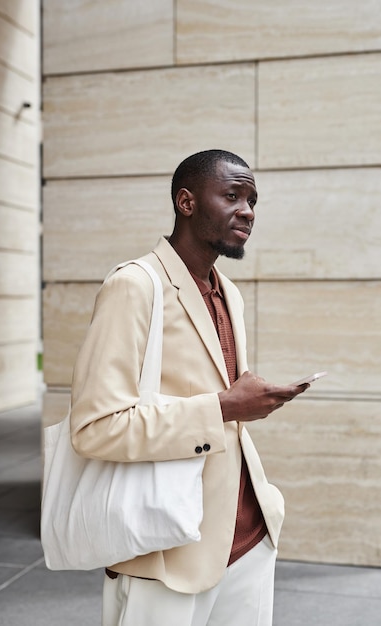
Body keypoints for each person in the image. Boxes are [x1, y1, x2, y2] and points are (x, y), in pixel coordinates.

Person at [69, 149, 309, 626]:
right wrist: (223, 406)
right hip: (168, 552)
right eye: (233, 195)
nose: (248, 211)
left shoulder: (229, 291)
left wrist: (248, 402)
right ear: (186, 201)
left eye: (253, 200)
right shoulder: (135, 286)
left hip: (249, 541)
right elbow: (95, 428)